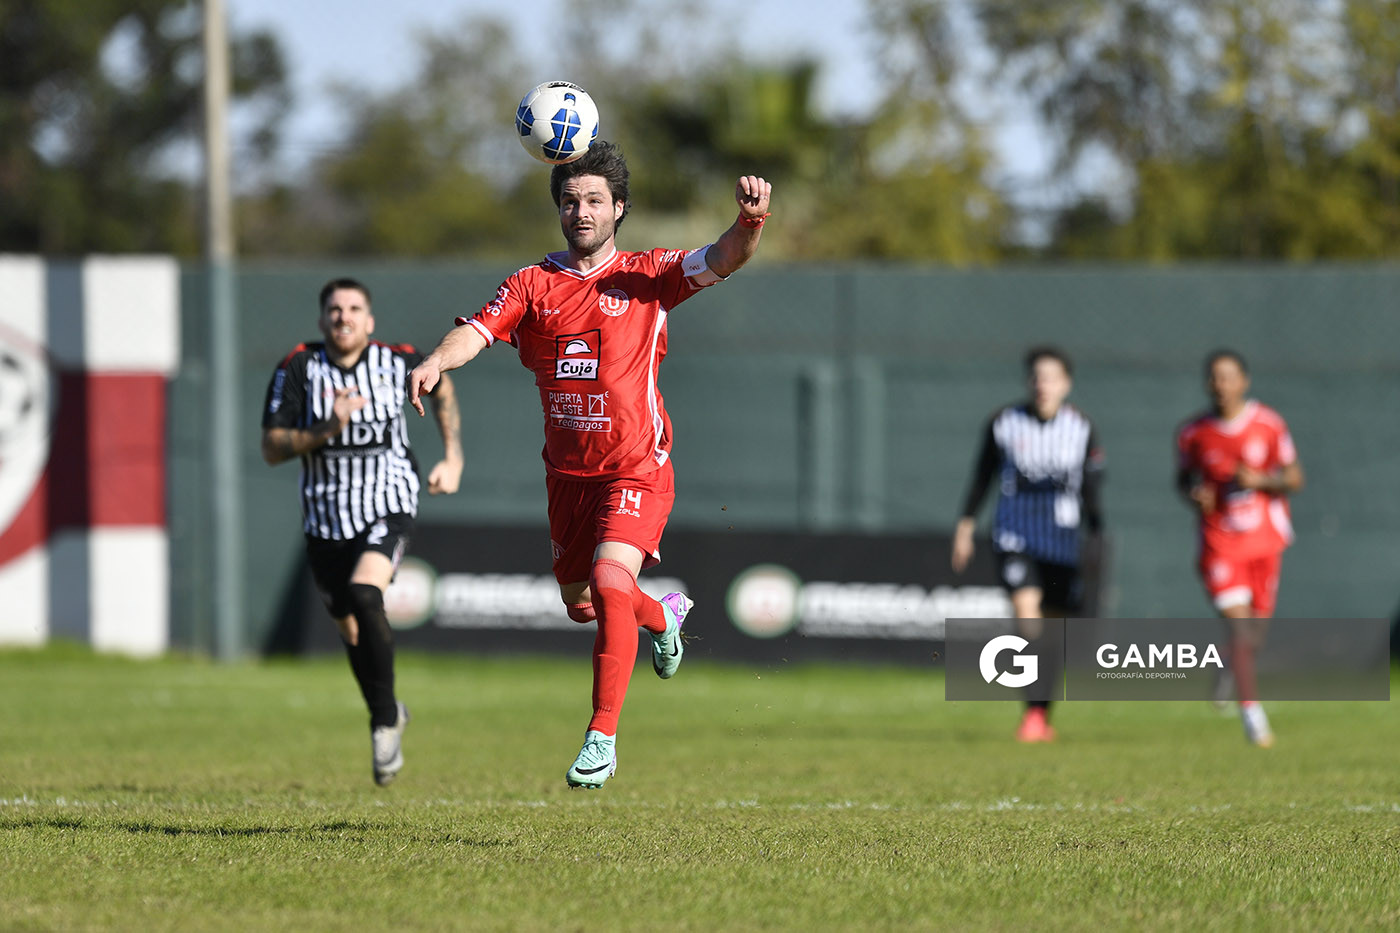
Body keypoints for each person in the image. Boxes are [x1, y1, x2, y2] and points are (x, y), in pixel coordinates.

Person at [407, 141, 772, 789]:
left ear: (619, 208)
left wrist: (749, 224)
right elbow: (478, 330)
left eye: (595, 200)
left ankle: (600, 737)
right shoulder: (531, 284)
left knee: (608, 582)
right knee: (582, 603)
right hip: (568, 475)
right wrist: (439, 359)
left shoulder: (649, 275)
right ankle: (662, 615)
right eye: (570, 200)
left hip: (637, 466)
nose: (581, 211)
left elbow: (723, 258)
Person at [261, 278, 463, 785]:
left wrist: (452, 456)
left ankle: (380, 724)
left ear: (369, 321)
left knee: (364, 593)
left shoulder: (396, 361)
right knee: (350, 628)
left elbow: (442, 386)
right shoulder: (299, 368)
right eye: (334, 309)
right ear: (321, 319)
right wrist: (327, 429)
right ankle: (389, 708)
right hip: (325, 517)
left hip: (388, 501)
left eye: (354, 309)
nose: (343, 317)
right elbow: (271, 447)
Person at [952, 346, 1104, 742]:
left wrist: (1097, 538)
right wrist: (965, 526)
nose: (1043, 385)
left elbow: (1091, 490)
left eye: (1051, 377)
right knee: (1028, 619)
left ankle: (1039, 714)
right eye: (1036, 377)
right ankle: (1032, 715)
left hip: (1062, 541)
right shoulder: (1004, 423)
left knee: (1053, 633)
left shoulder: (1081, 427)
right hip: (1014, 534)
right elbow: (982, 476)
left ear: (1066, 384)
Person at [1175, 349, 1303, 748]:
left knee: (1255, 637)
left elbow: (1294, 477)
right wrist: (1195, 495)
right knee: (1241, 628)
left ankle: (1227, 662)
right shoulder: (1194, 433)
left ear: (1244, 381)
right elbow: (1182, 480)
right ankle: (1253, 717)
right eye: (1214, 377)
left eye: (1228, 376)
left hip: (1264, 542)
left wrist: (1264, 481)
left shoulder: (1267, 424)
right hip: (1219, 543)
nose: (1221, 385)